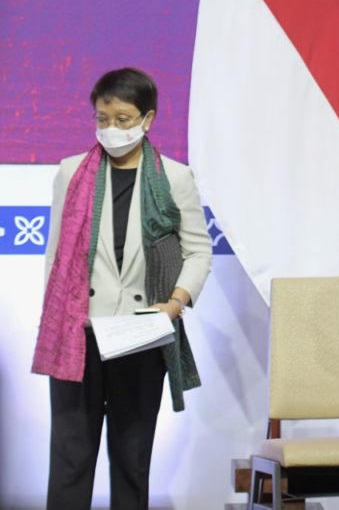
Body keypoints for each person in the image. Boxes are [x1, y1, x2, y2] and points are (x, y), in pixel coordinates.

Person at [32, 68, 212, 510]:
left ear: (148, 119)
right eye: (103, 118)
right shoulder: (71, 172)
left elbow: (198, 252)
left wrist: (174, 304)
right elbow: (56, 256)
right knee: (70, 459)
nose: (111, 129)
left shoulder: (174, 177)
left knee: (132, 460)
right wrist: (56, 320)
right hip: (78, 335)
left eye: (124, 119)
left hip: (140, 335)